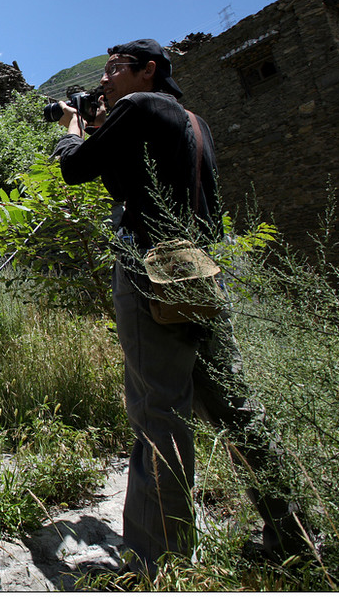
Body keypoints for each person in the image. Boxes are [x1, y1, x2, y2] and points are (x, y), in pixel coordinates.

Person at [50, 39, 311, 577]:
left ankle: (156, 558)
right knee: (237, 411)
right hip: (202, 272)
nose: (105, 81)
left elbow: (76, 169)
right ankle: (295, 534)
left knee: (158, 409)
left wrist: (72, 128)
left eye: (114, 70)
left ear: (147, 71)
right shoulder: (194, 122)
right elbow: (151, 184)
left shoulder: (139, 107)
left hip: (152, 272)